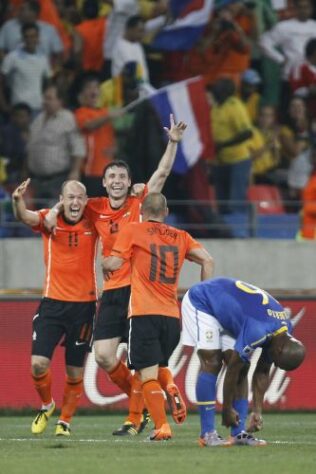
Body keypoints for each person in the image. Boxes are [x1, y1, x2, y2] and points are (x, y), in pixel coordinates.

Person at [45, 114, 187, 436]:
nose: (118, 180)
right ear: (105, 183)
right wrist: (53, 213)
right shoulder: (94, 207)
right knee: (106, 356)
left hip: (139, 292)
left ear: (129, 181)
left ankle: (136, 418)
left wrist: (173, 143)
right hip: (111, 292)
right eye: (113, 176)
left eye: (123, 175)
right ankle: (155, 395)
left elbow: (162, 173)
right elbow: (69, 203)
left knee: (141, 359)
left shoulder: (139, 201)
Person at [103, 192, 214, 440]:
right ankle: (171, 387)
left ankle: (162, 426)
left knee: (145, 375)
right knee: (158, 365)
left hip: (143, 314)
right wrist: (203, 299)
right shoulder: (181, 236)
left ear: (142, 211)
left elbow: (112, 264)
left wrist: (105, 263)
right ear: (166, 212)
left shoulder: (133, 230)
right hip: (172, 318)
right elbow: (208, 260)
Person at [11, 179, 99, 436]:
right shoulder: (48, 222)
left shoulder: (93, 223)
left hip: (84, 308)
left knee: (74, 371)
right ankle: (47, 405)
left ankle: (65, 422)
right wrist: (18, 200)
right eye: (70, 197)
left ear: (86, 201)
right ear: (61, 199)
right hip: (52, 305)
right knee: (38, 364)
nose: (75, 202)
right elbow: (24, 216)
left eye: (80, 198)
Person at [181, 277, 306, 447]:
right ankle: (207, 433)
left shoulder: (283, 334)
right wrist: (226, 410)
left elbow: (262, 371)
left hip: (229, 312)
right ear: (279, 351)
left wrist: (257, 411)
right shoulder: (258, 331)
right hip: (203, 301)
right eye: (278, 362)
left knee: (243, 368)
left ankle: (239, 433)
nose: (274, 365)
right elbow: (232, 367)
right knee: (213, 361)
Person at [27, 82, 86, 206]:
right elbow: (30, 147)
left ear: (59, 101)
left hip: (57, 179)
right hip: (36, 179)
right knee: (38, 219)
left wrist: (75, 172)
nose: (45, 101)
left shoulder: (67, 118)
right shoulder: (38, 119)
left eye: (49, 98)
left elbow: (78, 147)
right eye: (44, 98)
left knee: (55, 218)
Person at [209, 78, 253, 214]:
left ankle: (241, 231)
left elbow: (247, 133)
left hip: (238, 160)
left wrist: (223, 144)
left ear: (225, 91)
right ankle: (225, 232)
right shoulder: (216, 107)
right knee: (221, 203)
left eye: (218, 87)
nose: (214, 90)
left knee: (236, 201)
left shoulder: (235, 106)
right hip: (219, 160)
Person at [0, 22, 51, 115]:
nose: (30, 40)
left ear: (38, 38)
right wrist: (3, 105)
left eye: (33, 36)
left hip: (38, 109)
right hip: (19, 109)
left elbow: (47, 84)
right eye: (27, 36)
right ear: (23, 38)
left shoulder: (43, 58)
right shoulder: (12, 57)